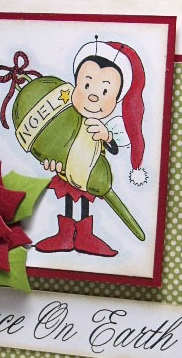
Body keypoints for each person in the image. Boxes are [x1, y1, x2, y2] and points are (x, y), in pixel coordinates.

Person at [35, 37, 146, 257]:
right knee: (68, 200)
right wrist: (49, 159)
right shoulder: (64, 117)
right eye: (86, 85)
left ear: (116, 100)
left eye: (105, 91)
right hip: (67, 172)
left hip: (93, 173)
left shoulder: (107, 126)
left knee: (85, 200)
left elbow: (114, 149)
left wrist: (106, 136)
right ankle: (65, 235)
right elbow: (53, 144)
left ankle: (85, 236)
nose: (93, 95)